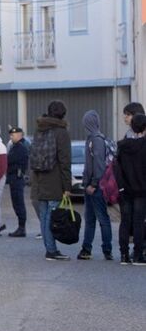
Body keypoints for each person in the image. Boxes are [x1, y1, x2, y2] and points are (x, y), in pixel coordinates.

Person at [29, 100, 73, 261]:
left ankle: (49, 248)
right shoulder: (61, 132)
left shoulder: (39, 130)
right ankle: (52, 250)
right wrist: (67, 186)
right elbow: (65, 161)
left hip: (40, 178)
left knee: (44, 214)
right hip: (55, 179)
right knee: (51, 215)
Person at [79, 110, 113, 260]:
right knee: (91, 219)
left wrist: (93, 184)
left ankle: (107, 249)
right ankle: (86, 249)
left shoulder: (96, 140)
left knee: (102, 218)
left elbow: (98, 165)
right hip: (90, 185)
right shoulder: (92, 138)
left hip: (96, 186)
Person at [114, 113, 146, 265]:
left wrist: (120, 186)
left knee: (125, 221)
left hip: (125, 189)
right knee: (139, 222)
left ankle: (124, 255)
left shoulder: (122, 146)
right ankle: (138, 255)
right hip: (141, 190)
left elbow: (116, 167)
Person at [6, 127, 29, 237]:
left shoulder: (20, 147)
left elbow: (9, 160)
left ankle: (21, 228)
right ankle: (21, 227)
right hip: (13, 177)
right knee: (16, 203)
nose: (11, 137)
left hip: (17, 178)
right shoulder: (15, 146)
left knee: (18, 203)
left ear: (20, 135)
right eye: (11, 135)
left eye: (13, 135)